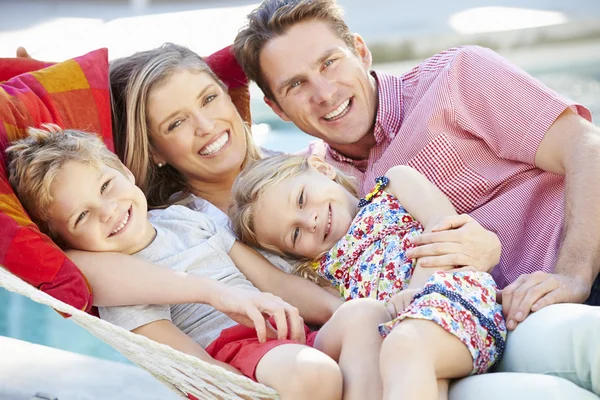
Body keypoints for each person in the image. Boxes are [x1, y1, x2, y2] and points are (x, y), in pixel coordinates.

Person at [231, 0, 600, 395]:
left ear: (360, 50)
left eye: (329, 63)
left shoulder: (457, 77)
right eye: (295, 84)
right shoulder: (312, 193)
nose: (323, 92)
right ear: (276, 108)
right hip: (461, 337)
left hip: (573, 276)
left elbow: (585, 147)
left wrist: (573, 273)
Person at [8, 125, 416, 399]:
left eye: (106, 186)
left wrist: (335, 310)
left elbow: (269, 279)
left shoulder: (188, 218)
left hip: (289, 332)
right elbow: (185, 361)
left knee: (365, 315)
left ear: (122, 171)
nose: (108, 211)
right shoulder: (119, 283)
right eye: (82, 216)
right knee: (316, 373)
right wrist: (229, 387)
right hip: (236, 353)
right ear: (64, 237)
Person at [230, 153, 507, 399]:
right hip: (405, 338)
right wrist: (227, 245)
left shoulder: (395, 185)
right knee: (409, 365)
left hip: (453, 300)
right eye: (295, 234)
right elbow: (278, 283)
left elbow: (444, 227)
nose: (310, 221)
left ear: (321, 168)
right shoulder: (326, 274)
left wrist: (416, 294)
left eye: (301, 199)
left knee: (404, 344)